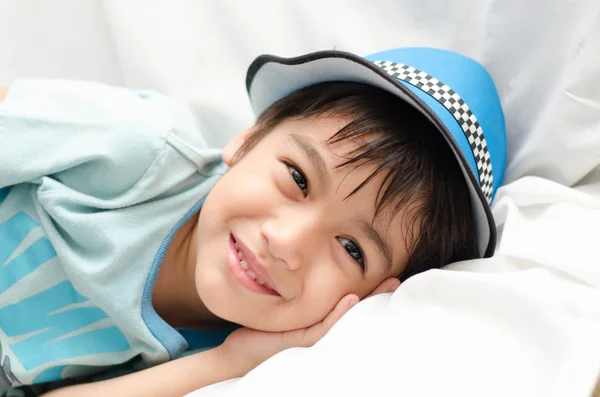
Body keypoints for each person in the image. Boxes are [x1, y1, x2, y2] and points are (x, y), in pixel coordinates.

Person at [0, 47, 506, 396]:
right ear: (247, 140)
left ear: (375, 296)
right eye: (298, 178)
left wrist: (230, 364)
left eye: (352, 249)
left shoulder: (244, 358)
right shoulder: (138, 152)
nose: (285, 243)